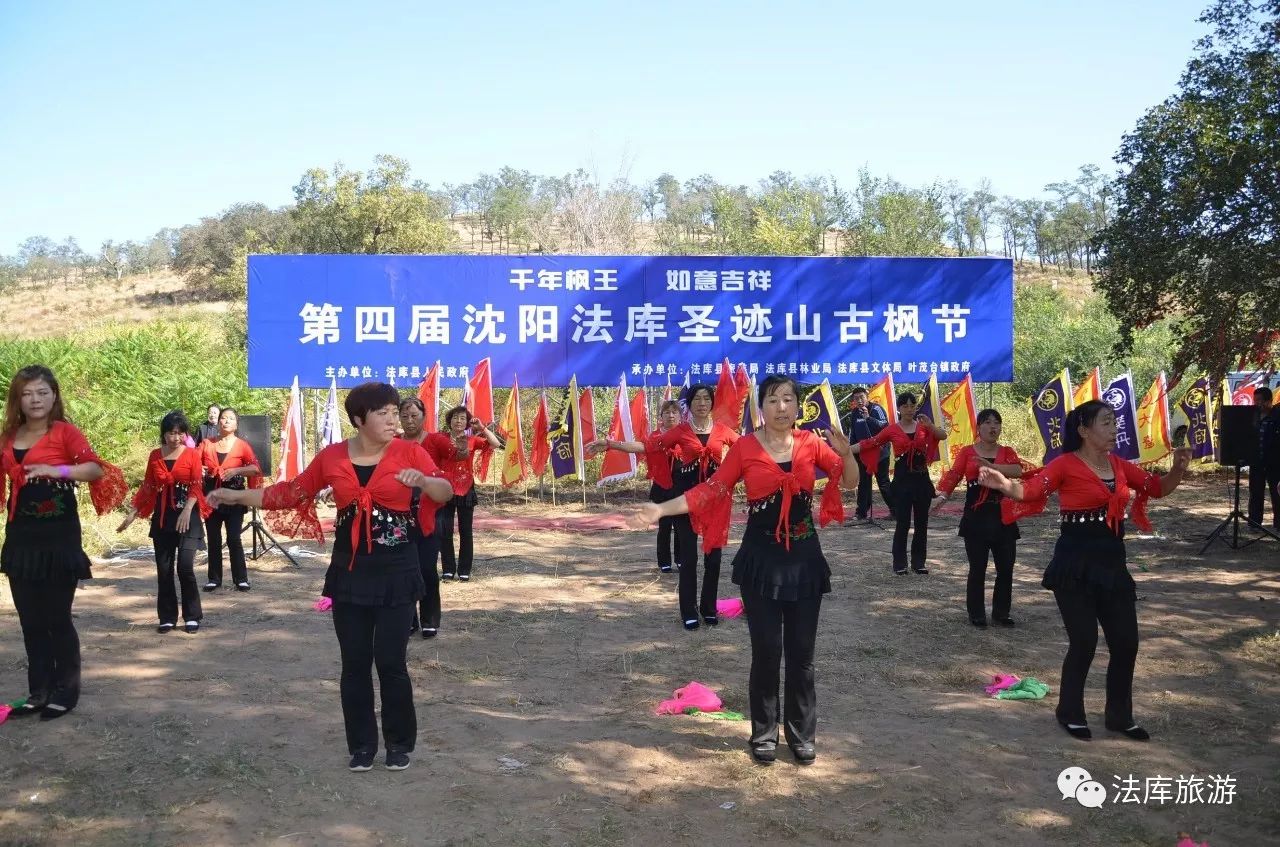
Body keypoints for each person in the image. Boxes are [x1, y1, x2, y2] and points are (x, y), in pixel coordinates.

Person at [209, 381, 453, 772]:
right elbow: (290, 493)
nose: (394, 420)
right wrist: (235, 496)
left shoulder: (412, 452)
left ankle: (399, 742)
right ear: (359, 419)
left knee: (391, 662)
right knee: (354, 663)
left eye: (396, 412)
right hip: (350, 572)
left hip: (397, 571)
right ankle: (360, 746)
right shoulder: (333, 457)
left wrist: (423, 482)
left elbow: (444, 491)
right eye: (384, 413)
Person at [629, 375, 858, 765]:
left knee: (802, 654)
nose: (781, 407)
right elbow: (713, 489)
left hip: (803, 559)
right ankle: (764, 732)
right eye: (772, 400)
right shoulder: (746, 447)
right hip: (760, 559)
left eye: (788, 399)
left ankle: (802, 733)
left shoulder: (810, 444)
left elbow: (849, 482)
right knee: (767, 650)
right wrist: (662, 509)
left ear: (798, 406)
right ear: (760, 408)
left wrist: (847, 455)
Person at [977, 399, 1192, 742]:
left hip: (1112, 565)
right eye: (1106, 422)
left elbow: (1156, 488)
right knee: (1085, 642)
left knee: (1126, 643)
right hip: (1074, 565)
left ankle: (1119, 717)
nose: (1114, 428)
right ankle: (1070, 712)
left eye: (1114, 422)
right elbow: (1031, 490)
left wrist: (1177, 469)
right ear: (1083, 430)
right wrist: (1004, 484)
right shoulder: (1065, 464)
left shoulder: (1120, 466)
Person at [0, 364, 128, 719]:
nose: (35, 399)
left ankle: (66, 691)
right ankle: (38, 690)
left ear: (54, 395)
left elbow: (94, 469)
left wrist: (58, 470)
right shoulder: (9, 436)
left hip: (59, 537)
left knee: (57, 617)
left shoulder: (65, 433)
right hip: (21, 537)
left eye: (42, 392)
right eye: (27, 393)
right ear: (18, 399)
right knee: (30, 619)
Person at [597, 384, 739, 629]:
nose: (702, 403)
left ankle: (708, 607)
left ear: (712, 403)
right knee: (689, 557)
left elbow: (746, 450)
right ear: (690, 403)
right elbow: (648, 446)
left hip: (715, 501)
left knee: (713, 559)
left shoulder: (723, 430)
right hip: (684, 499)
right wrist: (611, 444)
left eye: (707, 398)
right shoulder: (681, 431)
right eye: (697, 399)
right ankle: (689, 611)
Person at [118, 410, 209, 634]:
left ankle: (192, 615)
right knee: (164, 569)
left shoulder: (191, 455)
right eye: (170, 433)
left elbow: (197, 485)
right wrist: (133, 513)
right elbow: (148, 486)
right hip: (163, 517)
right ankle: (167, 616)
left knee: (185, 567)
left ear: (184, 434)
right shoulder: (155, 456)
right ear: (164, 434)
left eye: (179, 433)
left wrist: (188, 510)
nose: (175, 437)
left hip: (188, 516)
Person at [933, 409, 1026, 627]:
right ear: (978, 427)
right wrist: (942, 497)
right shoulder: (967, 452)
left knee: (1006, 567)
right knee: (978, 567)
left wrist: (993, 467)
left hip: (1004, 516)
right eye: (988, 422)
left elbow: (1017, 470)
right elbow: (954, 475)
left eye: (997, 423)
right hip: (976, 516)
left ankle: (1001, 612)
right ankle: (976, 613)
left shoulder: (1007, 451)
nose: (993, 427)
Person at [850, 392, 948, 575]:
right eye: (905, 406)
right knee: (902, 523)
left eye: (912, 406)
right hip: (903, 481)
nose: (909, 409)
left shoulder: (922, 426)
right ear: (899, 409)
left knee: (922, 523)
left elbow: (943, 436)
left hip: (921, 479)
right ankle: (900, 563)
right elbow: (871, 443)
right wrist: (846, 450)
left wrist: (930, 425)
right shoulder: (892, 429)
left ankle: (919, 563)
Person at [591, 399, 683, 573]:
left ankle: (681, 559)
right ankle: (664, 562)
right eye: (667, 412)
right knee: (664, 527)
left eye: (674, 412)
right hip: (662, 488)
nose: (671, 415)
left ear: (680, 415)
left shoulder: (686, 435)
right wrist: (610, 444)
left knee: (681, 526)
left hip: (681, 488)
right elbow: (637, 447)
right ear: (661, 417)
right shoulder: (655, 437)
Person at [422, 406, 500, 582]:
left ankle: (464, 570)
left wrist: (482, 428)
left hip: (466, 487)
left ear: (467, 423)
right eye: (455, 418)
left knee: (466, 531)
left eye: (463, 418)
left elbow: (495, 444)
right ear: (449, 421)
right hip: (445, 488)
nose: (458, 421)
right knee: (444, 530)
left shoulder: (472, 440)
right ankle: (448, 570)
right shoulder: (439, 440)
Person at [199, 407, 261, 591]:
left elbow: (255, 469)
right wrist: (199, 468)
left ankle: (240, 578)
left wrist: (237, 470)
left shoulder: (242, 445)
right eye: (223, 418)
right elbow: (192, 461)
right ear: (218, 422)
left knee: (234, 538)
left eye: (230, 419)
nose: (226, 421)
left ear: (236, 424)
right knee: (213, 538)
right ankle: (214, 578)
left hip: (234, 496)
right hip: (212, 496)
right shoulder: (206, 443)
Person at [398, 397, 441, 637]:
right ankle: (409, 619)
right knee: (404, 569)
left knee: (426, 568)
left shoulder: (435, 441)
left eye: (414, 415)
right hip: (398, 517)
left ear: (424, 417)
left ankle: (429, 618)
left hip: (428, 513)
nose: (409, 420)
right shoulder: (392, 444)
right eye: (404, 416)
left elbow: (456, 456)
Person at [842, 386, 893, 522]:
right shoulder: (854, 413)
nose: (859, 400)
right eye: (856, 398)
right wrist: (852, 451)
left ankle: (896, 511)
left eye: (861, 397)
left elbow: (885, 426)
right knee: (864, 482)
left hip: (880, 452)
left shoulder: (876, 409)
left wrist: (868, 418)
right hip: (863, 453)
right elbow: (853, 434)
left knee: (883, 482)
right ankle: (861, 513)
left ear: (867, 396)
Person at [1248, 387, 1276, 527]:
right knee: (1256, 493)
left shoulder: (1276, 415)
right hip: (1256, 461)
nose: (1258, 404)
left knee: (1276, 493)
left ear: (1270, 401)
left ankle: (1278, 525)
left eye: (1261, 401)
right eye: (1256, 401)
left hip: (1274, 462)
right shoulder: (1252, 416)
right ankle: (1254, 523)